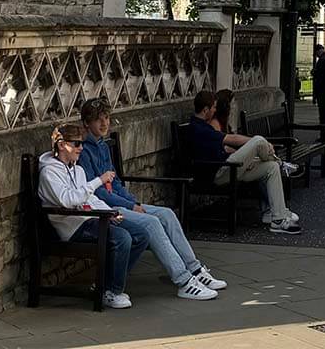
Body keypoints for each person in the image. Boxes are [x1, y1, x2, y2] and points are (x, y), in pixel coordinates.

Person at [79, 98, 224, 301]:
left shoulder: (102, 146)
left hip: (121, 201)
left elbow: (116, 181)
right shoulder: (83, 151)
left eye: (107, 118)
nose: (104, 123)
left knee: (167, 214)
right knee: (152, 223)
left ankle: (195, 269)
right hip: (105, 207)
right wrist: (130, 205)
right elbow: (95, 192)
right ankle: (183, 281)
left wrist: (133, 202)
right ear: (86, 123)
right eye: (98, 120)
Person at [38, 121, 149, 310]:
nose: (80, 148)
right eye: (76, 144)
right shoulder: (49, 172)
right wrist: (99, 180)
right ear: (61, 144)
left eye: (81, 143)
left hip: (91, 218)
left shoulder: (78, 169)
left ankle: (104, 285)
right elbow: (67, 200)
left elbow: (90, 199)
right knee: (122, 238)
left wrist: (111, 212)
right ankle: (112, 290)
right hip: (72, 226)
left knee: (141, 235)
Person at [190, 91, 302, 235]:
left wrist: (248, 159)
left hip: (225, 167)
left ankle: (278, 219)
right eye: (213, 107)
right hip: (217, 173)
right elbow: (232, 139)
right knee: (258, 140)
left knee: (271, 168)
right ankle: (282, 164)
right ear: (205, 110)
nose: (215, 110)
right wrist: (262, 144)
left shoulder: (203, 126)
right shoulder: (198, 128)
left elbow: (223, 148)